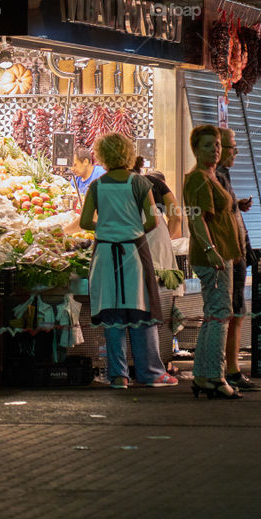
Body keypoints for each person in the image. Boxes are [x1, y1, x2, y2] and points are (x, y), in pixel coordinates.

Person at [79, 132, 178, 390]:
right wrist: (130, 229)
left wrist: (108, 227)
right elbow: (152, 221)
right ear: (127, 153)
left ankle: (119, 376)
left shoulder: (97, 186)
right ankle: (149, 373)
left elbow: (85, 222)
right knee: (140, 310)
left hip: (104, 254)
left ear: (101, 156)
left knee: (112, 315)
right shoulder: (140, 184)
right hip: (134, 251)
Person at [182, 124, 244, 399]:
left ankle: (204, 375)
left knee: (215, 316)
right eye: (208, 145)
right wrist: (210, 249)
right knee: (219, 316)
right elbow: (196, 218)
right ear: (195, 149)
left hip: (223, 254)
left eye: (217, 145)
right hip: (213, 257)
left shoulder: (213, 176)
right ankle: (215, 377)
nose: (215, 150)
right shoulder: (198, 178)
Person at [216, 127, 261, 392]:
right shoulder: (211, 177)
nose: (236, 152)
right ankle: (230, 371)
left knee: (237, 312)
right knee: (232, 314)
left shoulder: (224, 176)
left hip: (236, 253)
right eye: (231, 147)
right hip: (228, 254)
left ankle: (230, 369)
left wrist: (238, 206)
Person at [134, 156, 183, 239]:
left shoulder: (113, 186)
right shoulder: (154, 182)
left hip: (129, 242)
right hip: (158, 239)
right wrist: (168, 239)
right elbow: (176, 216)